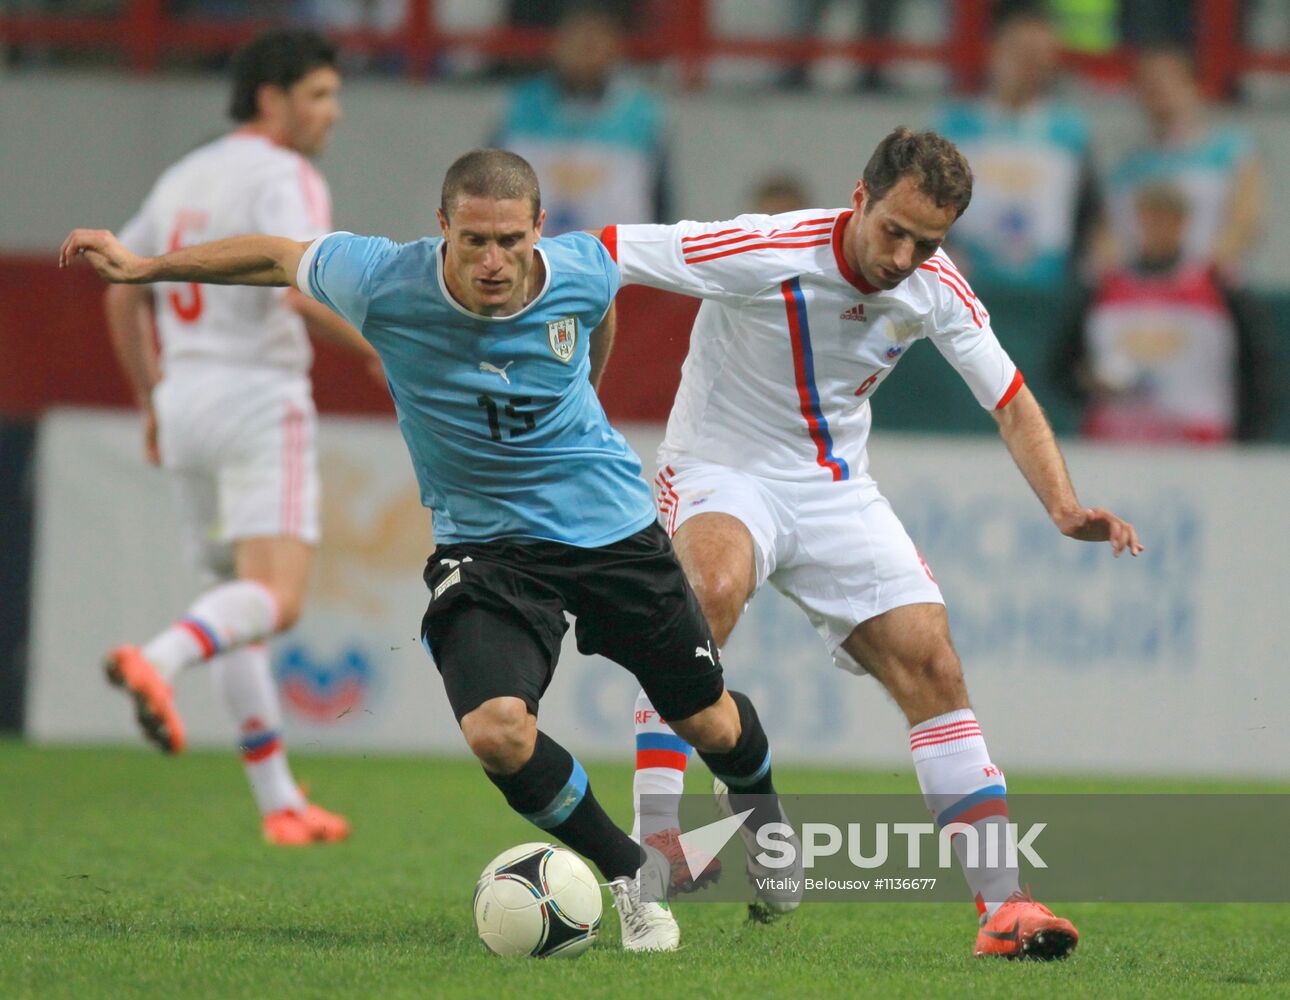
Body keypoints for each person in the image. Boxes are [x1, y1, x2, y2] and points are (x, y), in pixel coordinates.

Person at [62, 149, 791, 954]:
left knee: (709, 721)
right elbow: (272, 255)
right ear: (442, 227)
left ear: (539, 229)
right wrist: (142, 268)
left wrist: (583, 388)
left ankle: (764, 825)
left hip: (611, 532)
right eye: (474, 240)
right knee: (496, 732)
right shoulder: (382, 279)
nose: (493, 261)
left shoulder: (583, 269)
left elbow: (599, 310)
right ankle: (631, 875)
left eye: (510, 240)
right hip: (486, 547)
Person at [595, 127, 1142, 959]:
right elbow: (604, 250)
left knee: (933, 662)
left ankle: (1005, 908)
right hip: (720, 469)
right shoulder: (765, 248)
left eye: (928, 242)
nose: (904, 257)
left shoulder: (934, 287)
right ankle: (656, 846)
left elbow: (1010, 399)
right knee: (707, 593)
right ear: (859, 197)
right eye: (894, 231)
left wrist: (1064, 508)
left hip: (834, 490)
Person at [97, 29, 379, 846]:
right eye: (320, 95)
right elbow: (299, 286)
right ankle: (159, 659)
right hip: (257, 397)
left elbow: (120, 292)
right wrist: (382, 351)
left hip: (184, 398)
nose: (333, 114)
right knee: (275, 599)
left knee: (235, 601)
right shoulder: (286, 176)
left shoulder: (185, 174)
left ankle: (280, 803)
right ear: (272, 98)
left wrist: (149, 399)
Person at [1054, 182, 1272, 444]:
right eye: (1150, 218)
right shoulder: (1102, 288)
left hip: (1199, 443)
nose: (1158, 228)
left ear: (1183, 223)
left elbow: (1257, 370)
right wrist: (1090, 382)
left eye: (1168, 219)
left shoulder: (1218, 288)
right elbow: (1064, 369)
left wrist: (1248, 439)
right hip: (1116, 442)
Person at [935, 6, 1100, 289]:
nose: (1029, 67)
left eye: (1039, 58)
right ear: (995, 52)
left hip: (1047, 287)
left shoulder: (1069, 133)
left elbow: (1092, 213)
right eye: (1021, 54)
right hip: (967, 282)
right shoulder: (956, 126)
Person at [492, 2, 669, 234]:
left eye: (597, 38)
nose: (586, 48)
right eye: (576, 36)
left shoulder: (642, 116)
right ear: (556, 43)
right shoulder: (521, 108)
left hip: (614, 253)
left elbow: (661, 204)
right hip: (533, 251)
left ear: (616, 45)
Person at [1101, 44, 1264, 283]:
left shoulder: (1232, 150)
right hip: (1142, 289)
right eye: (1150, 87)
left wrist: (1206, 271)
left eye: (1169, 83)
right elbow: (1108, 236)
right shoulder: (1128, 167)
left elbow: (1246, 219)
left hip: (1208, 287)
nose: (1160, 94)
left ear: (1193, 87)